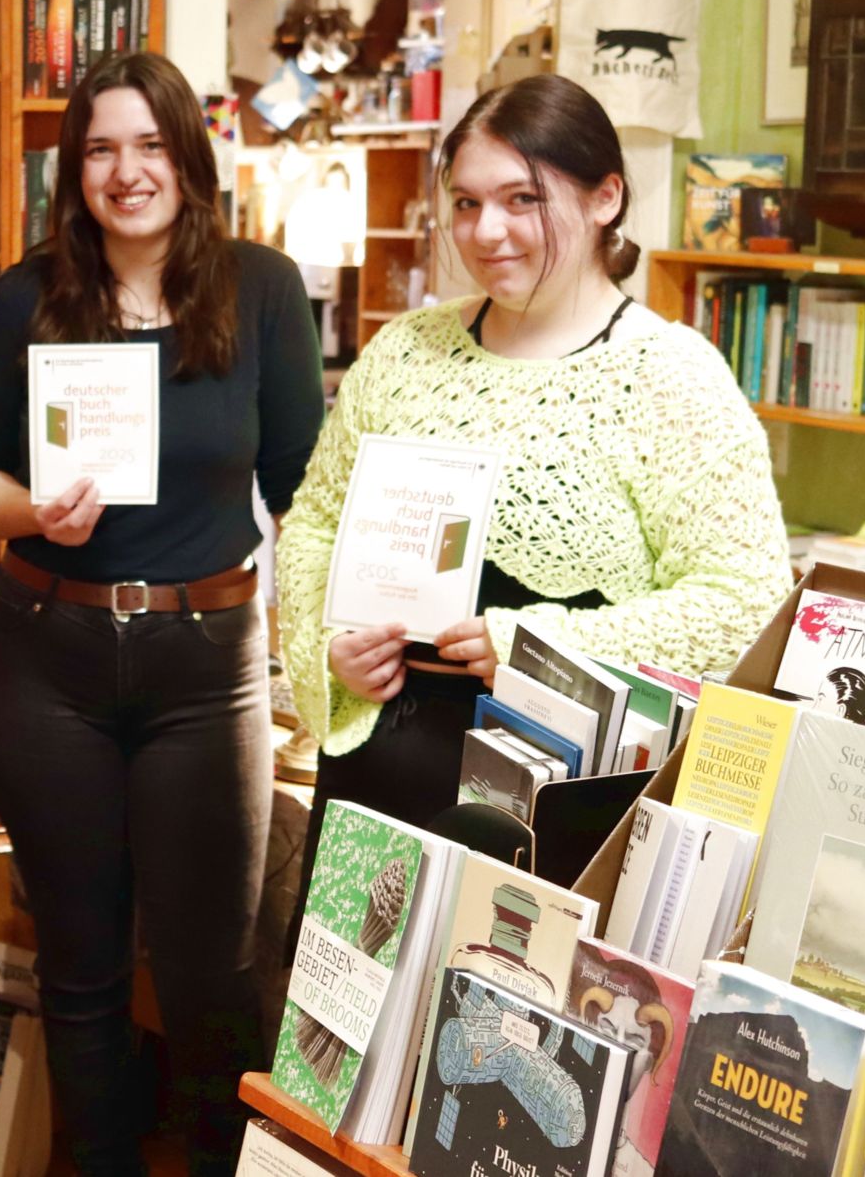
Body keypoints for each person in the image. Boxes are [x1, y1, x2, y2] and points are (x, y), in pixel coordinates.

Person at [0, 51, 325, 1176]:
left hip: (207, 665)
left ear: (189, 157)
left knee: (212, 974)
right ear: (76, 170)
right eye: (102, 148)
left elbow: (308, 484)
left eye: (150, 144)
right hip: (45, 653)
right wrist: (34, 513)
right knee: (83, 968)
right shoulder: (27, 296)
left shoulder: (260, 289)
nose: (126, 171)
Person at [275, 73, 789, 872]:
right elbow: (313, 526)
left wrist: (537, 642)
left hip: (560, 801)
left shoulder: (671, 377)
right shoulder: (402, 353)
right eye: (468, 203)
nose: (488, 231)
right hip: (376, 779)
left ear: (605, 198)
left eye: (523, 200)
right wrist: (330, 645)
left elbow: (745, 603)